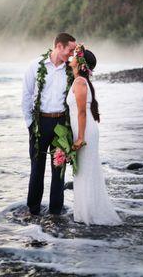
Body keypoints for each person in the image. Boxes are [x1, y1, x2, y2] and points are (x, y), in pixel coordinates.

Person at [67, 44, 123, 225]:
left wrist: (81, 138)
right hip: (83, 130)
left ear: (81, 63)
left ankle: (89, 214)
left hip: (85, 132)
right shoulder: (80, 81)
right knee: (83, 172)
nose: (72, 57)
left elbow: (82, 112)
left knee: (85, 172)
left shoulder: (80, 82)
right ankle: (86, 212)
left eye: (75, 55)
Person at [22, 32, 77, 215]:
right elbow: (27, 96)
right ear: (59, 46)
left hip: (61, 124)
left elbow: (82, 88)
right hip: (39, 123)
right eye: (70, 49)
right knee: (36, 169)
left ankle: (55, 212)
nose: (72, 54)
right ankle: (33, 210)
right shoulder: (35, 65)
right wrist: (31, 125)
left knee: (58, 170)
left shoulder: (71, 69)